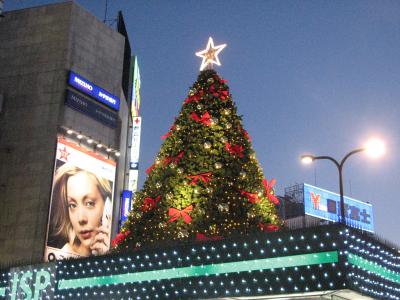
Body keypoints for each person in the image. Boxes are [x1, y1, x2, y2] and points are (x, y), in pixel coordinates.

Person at [48, 164, 112, 258]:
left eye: (89, 203)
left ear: (108, 204)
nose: (81, 218)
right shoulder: (60, 256)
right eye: (72, 205)